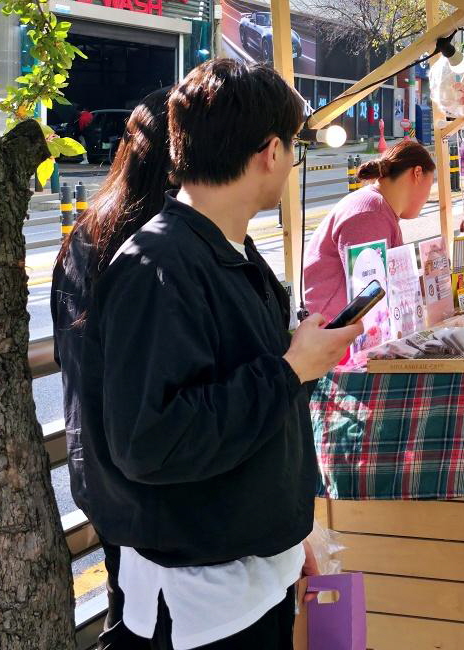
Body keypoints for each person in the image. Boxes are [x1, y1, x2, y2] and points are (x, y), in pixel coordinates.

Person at [86, 60, 362, 649]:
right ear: (269, 152)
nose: (291, 163)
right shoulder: (156, 266)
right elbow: (151, 440)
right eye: (292, 148)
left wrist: (299, 361)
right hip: (198, 606)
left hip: (249, 579)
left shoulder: (227, 248)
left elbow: (248, 392)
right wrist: (288, 370)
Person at [53, 87, 173, 650]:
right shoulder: (157, 242)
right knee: (152, 623)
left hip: (96, 465)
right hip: (145, 478)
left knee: (131, 610)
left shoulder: (89, 232)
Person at [303, 139, 435, 320]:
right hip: (337, 336)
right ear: (417, 173)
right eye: (431, 184)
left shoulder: (378, 208)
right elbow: (369, 299)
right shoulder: (371, 214)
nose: (428, 197)